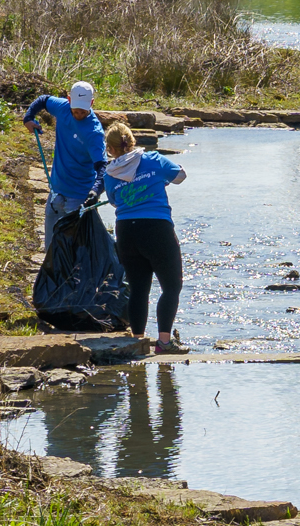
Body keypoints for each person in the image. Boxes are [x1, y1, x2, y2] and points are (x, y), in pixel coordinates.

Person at [100, 122, 190, 354]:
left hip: (126, 231)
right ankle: (164, 343)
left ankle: (137, 340)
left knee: (139, 288)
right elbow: (181, 176)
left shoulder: (109, 174)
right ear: (132, 140)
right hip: (156, 228)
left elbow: (113, 201)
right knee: (171, 286)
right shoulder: (153, 160)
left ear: (110, 149)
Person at [24, 80, 108, 254]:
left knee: (76, 254)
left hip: (79, 200)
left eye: (83, 111)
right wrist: (28, 118)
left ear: (91, 103)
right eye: (75, 110)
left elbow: (102, 167)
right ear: (69, 100)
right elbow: (43, 99)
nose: (78, 114)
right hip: (56, 193)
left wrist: (95, 192)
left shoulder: (94, 132)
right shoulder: (62, 108)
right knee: (50, 251)